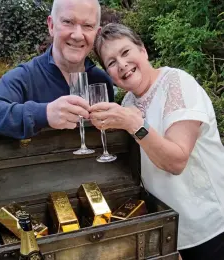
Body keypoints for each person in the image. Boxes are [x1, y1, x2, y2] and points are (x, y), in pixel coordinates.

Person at [90, 23, 224, 260]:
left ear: (143, 50)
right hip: (169, 231)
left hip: (210, 227)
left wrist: (134, 125)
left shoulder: (177, 83)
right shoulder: (128, 102)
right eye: (111, 62)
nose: (121, 65)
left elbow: (176, 161)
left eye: (125, 52)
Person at [0, 0, 114, 139]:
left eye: (88, 25)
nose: (77, 35)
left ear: (97, 33)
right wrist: (44, 114)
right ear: (51, 25)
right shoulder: (26, 77)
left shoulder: (101, 81)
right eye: (68, 22)